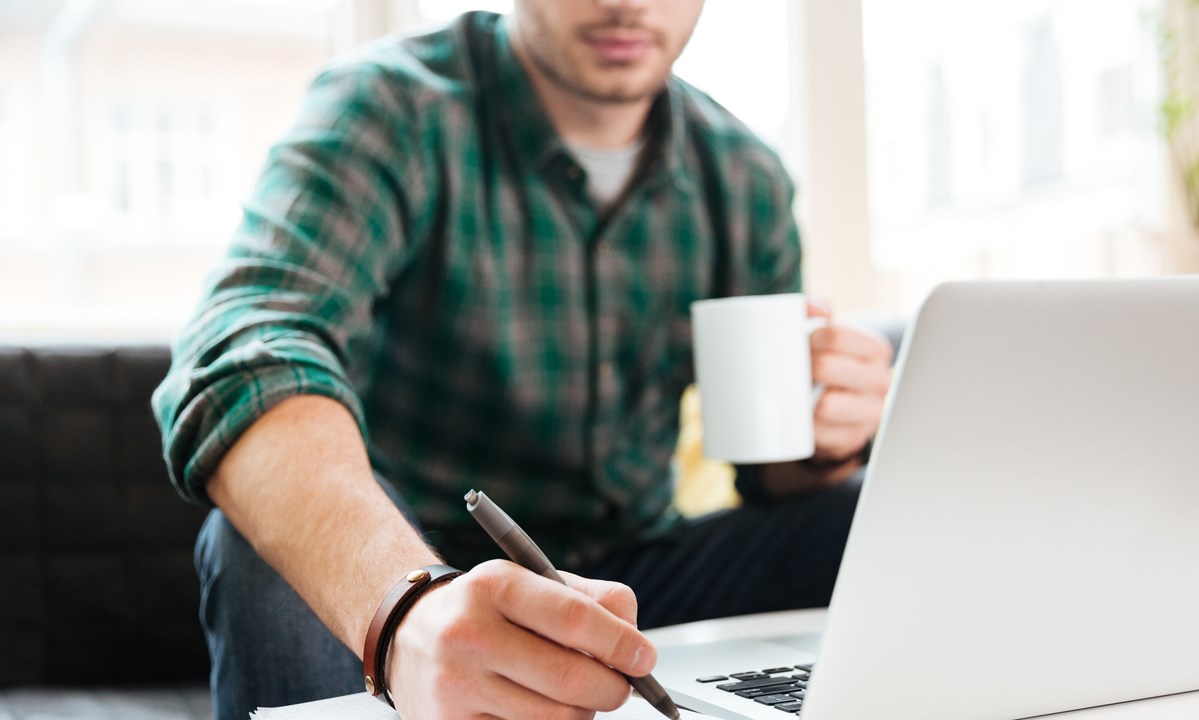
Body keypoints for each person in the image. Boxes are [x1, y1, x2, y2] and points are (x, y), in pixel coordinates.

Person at [152, 2, 893, 719]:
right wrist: (405, 604)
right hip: (421, 572)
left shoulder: (743, 174)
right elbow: (244, 348)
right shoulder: (390, 108)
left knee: (870, 517)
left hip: (637, 581)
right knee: (256, 543)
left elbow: (769, 475)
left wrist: (825, 436)